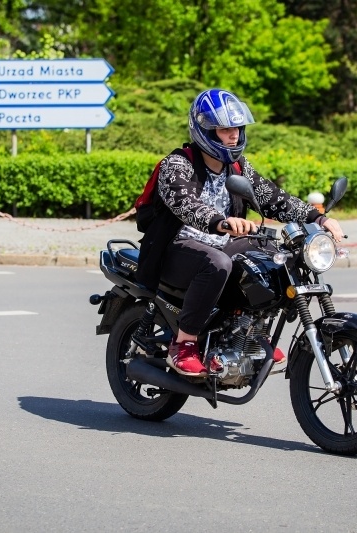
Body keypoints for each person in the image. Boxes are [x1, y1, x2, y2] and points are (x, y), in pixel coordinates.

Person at [136, 88, 345, 377]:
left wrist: (318, 218)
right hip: (175, 248)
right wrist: (221, 222)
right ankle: (183, 344)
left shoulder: (237, 166)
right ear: (205, 131)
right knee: (217, 263)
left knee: (277, 257)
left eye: (237, 128)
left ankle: (252, 332)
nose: (234, 135)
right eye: (225, 129)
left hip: (220, 242)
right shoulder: (177, 164)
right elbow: (185, 204)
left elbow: (273, 197)